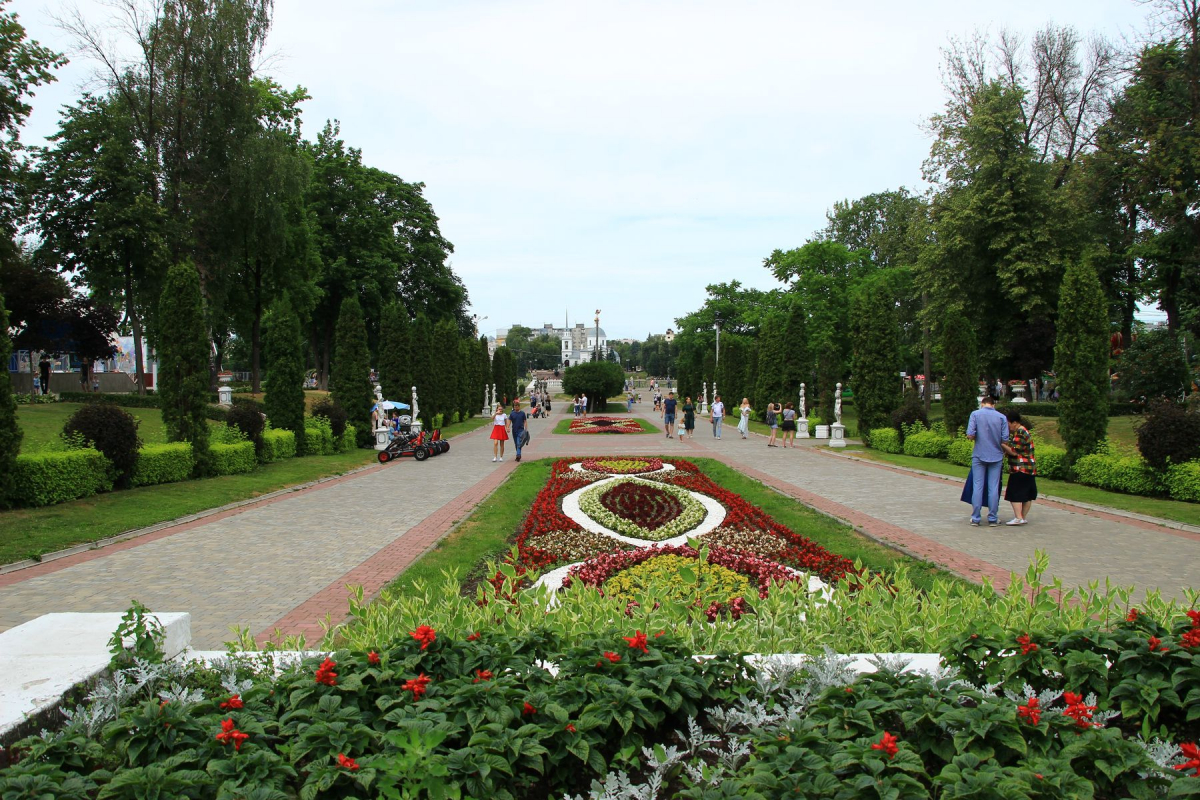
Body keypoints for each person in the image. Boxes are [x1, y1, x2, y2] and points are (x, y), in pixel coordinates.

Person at [966, 394, 1010, 527]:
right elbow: (1005, 439)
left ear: (982, 404)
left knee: (977, 486)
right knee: (993, 487)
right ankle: (992, 517)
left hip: (979, 454)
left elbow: (970, 434)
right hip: (996, 455)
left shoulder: (975, 414)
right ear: (993, 405)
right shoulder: (1002, 417)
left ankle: (975, 517)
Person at [1001, 408, 1037, 525]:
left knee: (1015, 493)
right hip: (1028, 469)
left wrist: (1001, 444)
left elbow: (1014, 451)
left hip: (1021, 468)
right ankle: (1022, 517)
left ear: (1014, 422)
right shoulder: (1021, 432)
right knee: (1027, 494)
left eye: (1008, 424)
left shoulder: (1021, 432)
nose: (1008, 427)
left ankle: (1018, 517)